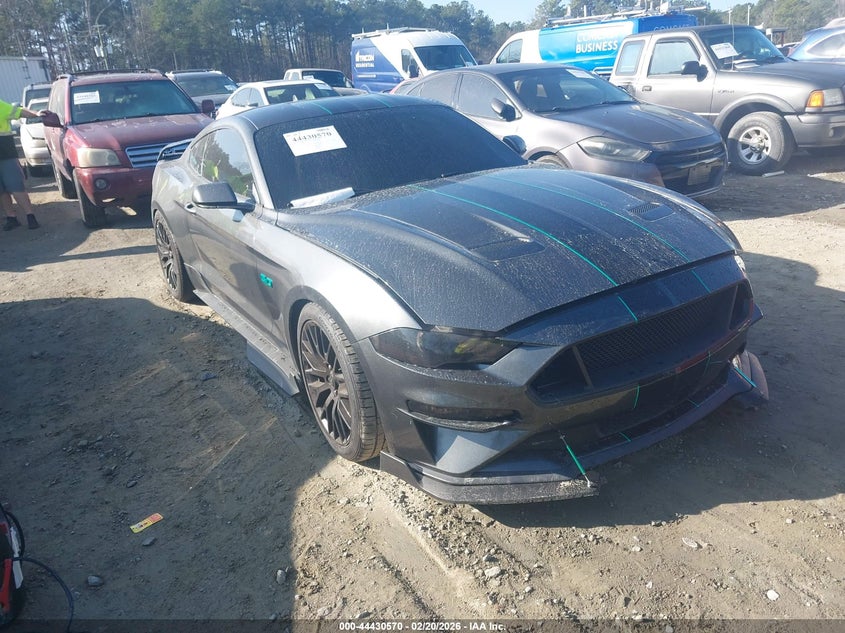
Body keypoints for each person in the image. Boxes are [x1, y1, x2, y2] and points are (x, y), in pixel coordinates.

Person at [0, 98, 43, 230]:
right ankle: (11, 217)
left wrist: (36, 114)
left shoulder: (1, 106)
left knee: (16, 187)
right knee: (1, 191)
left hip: (6, 154)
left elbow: (19, 112)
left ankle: (30, 216)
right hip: (5, 154)